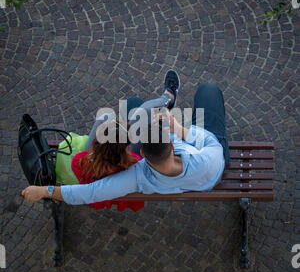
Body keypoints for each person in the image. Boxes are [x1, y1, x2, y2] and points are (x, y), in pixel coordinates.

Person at [21, 70, 230, 205]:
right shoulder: (207, 159)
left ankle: (167, 98)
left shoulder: (138, 176)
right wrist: (179, 128)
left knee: (135, 106)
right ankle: (168, 99)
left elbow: (90, 193)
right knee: (207, 91)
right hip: (213, 166)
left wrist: (45, 191)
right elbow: (211, 142)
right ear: (173, 147)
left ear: (142, 154)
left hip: (171, 156)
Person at [71, 120, 144, 212]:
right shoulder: (135, 162)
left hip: (96, 197)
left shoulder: (79, 161)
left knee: (102, 118)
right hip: (121, 195)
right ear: (125, 145)